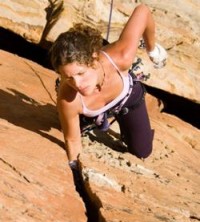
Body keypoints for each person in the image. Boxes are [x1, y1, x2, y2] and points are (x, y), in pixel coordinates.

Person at [50, 4, 167, 171]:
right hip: (89, 112)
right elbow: (72, 140)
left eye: (81, 73)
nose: (77, 84)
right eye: (68, 78)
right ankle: (89, 119)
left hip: (126, 98)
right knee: (65, 125)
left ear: (94, 58)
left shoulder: (121, 57)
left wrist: (152, 48)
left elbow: (143, 11)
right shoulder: (68, 99)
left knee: (142, 151)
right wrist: (76, 169)